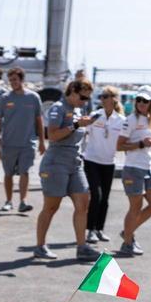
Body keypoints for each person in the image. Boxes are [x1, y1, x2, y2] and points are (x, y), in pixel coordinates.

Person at [34, 81, 97, 260]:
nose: (85, 101)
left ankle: (82, 247)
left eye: (88, 98)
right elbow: (52, 135)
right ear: (72, 92)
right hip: (56, 163)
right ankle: (40, 246)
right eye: (83, 97)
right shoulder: (58, 108)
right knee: (51, 206)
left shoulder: (78, 110)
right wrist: (76, 126)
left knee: (83, 203)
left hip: (75, 163)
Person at [116, 85, 151, 256]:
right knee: (135, 207)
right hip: (133, 168)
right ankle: (127, 242)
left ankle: (127, 232)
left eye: (145, 101)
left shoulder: (150, 120)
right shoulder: (131, 120)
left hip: (147, 167)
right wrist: (140, 144)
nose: (142, 103)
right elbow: (119, 146)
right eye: (139, 100)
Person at [0, 67, 45, 213]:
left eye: (15, 79)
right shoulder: (4, 98)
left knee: (25, 172)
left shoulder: (33, 97)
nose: (13, 83)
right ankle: (8, 201)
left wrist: (41, 141)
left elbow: (38, 120)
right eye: (10, 80)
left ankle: (23, 201)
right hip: (8, 143)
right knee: (8, 174)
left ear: (22, 79)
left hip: (28, 143)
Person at [82, 85, 125, 244]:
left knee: (105, 198)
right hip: (91, 160)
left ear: (114, 99)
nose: (103, 99)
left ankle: (99, 229)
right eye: (102, 96)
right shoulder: (95, 116)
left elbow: (124, 141)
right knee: (96, 196)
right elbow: (82, 130)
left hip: (108, 163)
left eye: (106, 96)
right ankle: (90, 230)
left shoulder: (121, 120)